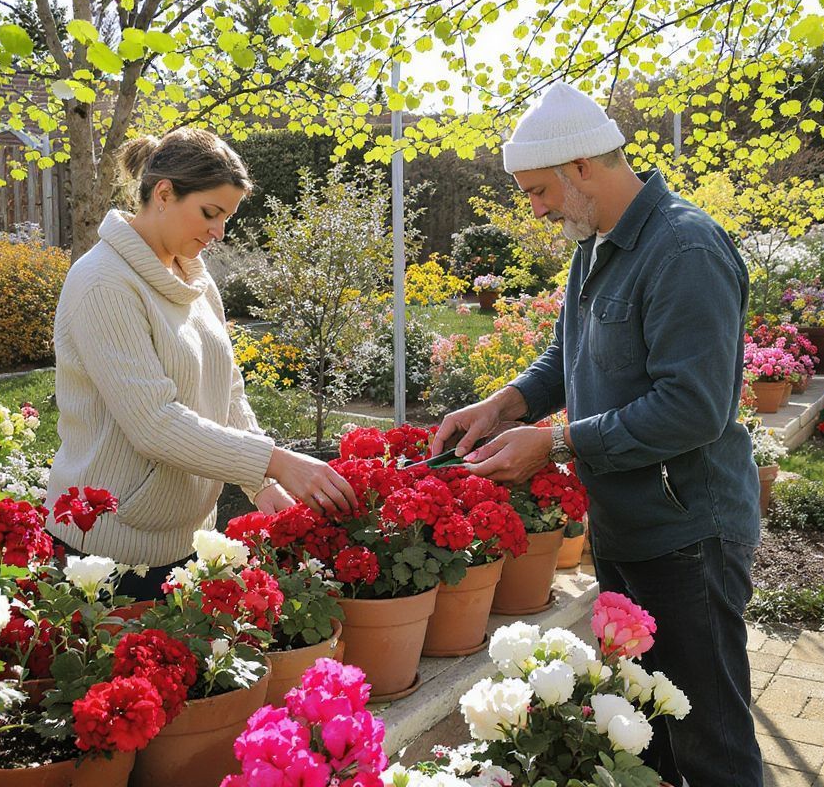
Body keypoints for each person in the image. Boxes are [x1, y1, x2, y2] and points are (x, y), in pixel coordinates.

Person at [432, 82, 763, 787]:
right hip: (631, 528)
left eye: (538, 191)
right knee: (649, 729)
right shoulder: (601, 243)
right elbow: (569, 354)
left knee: (710, 741)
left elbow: (693, 407)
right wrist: (504, 404)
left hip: (688, 535)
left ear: (582, 166)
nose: (537, 209)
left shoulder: (684, 249)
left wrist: (555, 444)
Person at [46, 128, 356, 600]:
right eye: (211, 213)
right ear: (164, 194)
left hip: (183, 539)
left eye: (227, 217)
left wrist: (264, 483)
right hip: (108, 550)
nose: (219, 231)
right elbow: (153, 423)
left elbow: (227, 390)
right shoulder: (103, 282)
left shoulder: (192, 275)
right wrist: (276, 460)